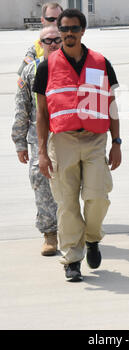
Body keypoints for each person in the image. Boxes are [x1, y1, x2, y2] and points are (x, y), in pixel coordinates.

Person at [33, 8, 122, 282]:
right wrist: (42, 153)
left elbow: (111, 106)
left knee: (98, 196)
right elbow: (41, 113)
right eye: (64, 29)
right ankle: (72, 259)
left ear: (83, 31)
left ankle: (93, 238)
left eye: (74, 28)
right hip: (62, 142)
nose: (69, 33)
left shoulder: (101, 62)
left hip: (96, 139)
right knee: (67, 203)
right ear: (59, 32)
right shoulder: (46, 66)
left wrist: (117, 142)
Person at [11, 26, 61, 255]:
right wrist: (19, 141)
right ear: (40, 44)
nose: (53, 43)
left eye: (57, 40)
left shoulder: (73, 67)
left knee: (73, 184)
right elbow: (22, 108)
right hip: (38, 137)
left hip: (69, 137)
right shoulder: (30, 72)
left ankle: (74, 230)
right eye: (47, 40)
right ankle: (50, 234)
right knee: (41, 182)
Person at [18, 2, 63, 75]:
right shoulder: (35, 50)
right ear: (42, 20)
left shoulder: (71, 46)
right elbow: (24, 75)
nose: (55, 23)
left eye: (59, 19)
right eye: (51, 19)